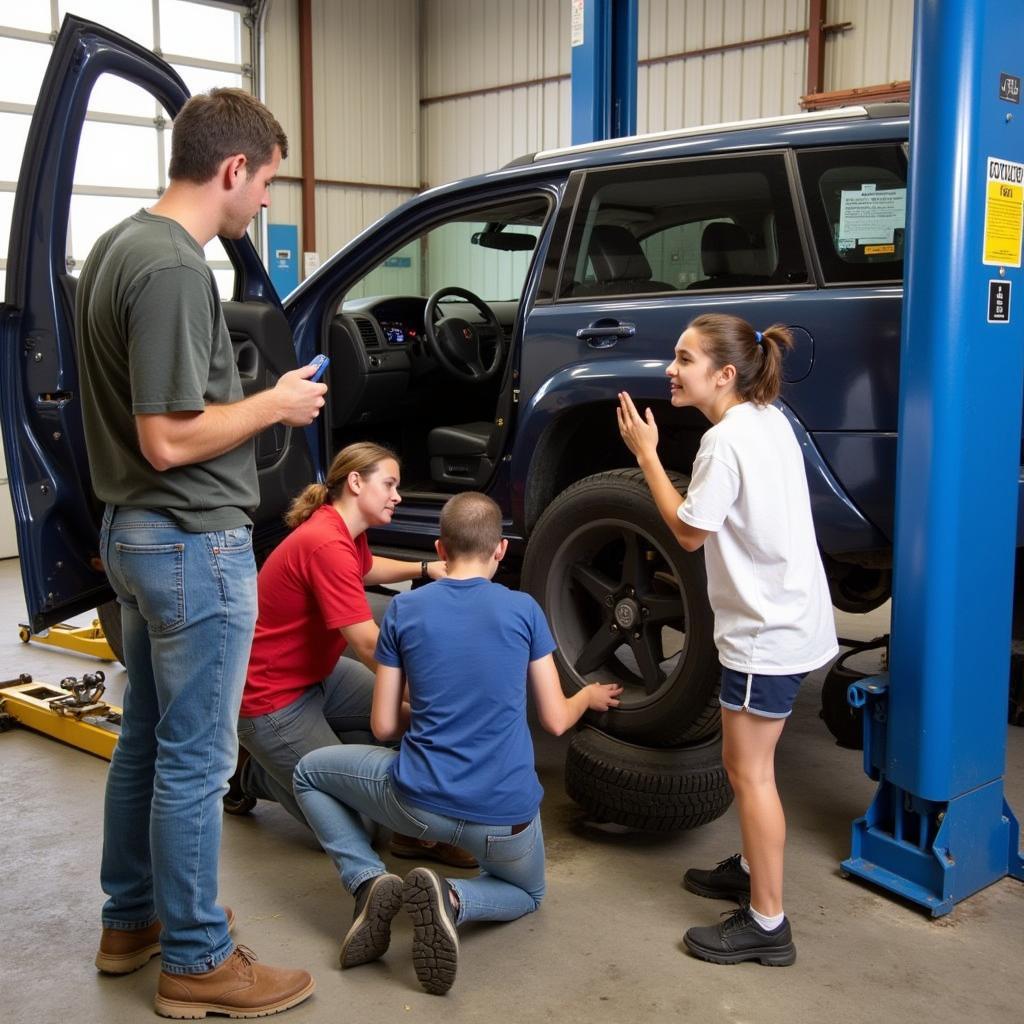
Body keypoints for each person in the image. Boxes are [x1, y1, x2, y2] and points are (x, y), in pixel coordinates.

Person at [78, 88, 322, 1017]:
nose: (263, 202)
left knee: (144, 742)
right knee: (197, 761)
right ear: (232, 169)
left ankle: (129, 920)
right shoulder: (179, 269)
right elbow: (168, 438)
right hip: (189, 542)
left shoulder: (117, 246)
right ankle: (197, 959)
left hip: (136, 539)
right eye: (265, 183)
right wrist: (279, 405)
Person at [291, 492, 622, 995]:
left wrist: (435, 715)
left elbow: (382, 726)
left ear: (440, 548)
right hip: (503, 817)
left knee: (308, 773)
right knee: (528, 893)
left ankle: (367, 880)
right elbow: (555, 720)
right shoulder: (523, 610)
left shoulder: (404, 608)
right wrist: (588, 696)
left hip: (417, 804)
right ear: (501, 550)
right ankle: (452, 899)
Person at [616, 312, 837, 967]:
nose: (670, 370)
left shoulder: (725, 442)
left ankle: (768, 924)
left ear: (725, 374)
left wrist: (647, 455)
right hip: (794, 618)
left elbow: (688, 531)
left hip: (765, 635)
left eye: (684, 359)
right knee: (754, 770)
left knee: (750, 773)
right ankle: (749, 868)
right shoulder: (769, 421)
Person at [230, 442, 474, 868]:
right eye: (390, 484)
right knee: (358, 824)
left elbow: (365, 568)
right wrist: (427, 688)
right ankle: (247, 774)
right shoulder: (326, 542)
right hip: (270, 698)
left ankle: (409, 833)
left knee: (411, 720)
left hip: (318, 677)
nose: (397, 495)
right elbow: (365, 643)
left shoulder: (344, 532)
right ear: (356, 482)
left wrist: (424, 568)